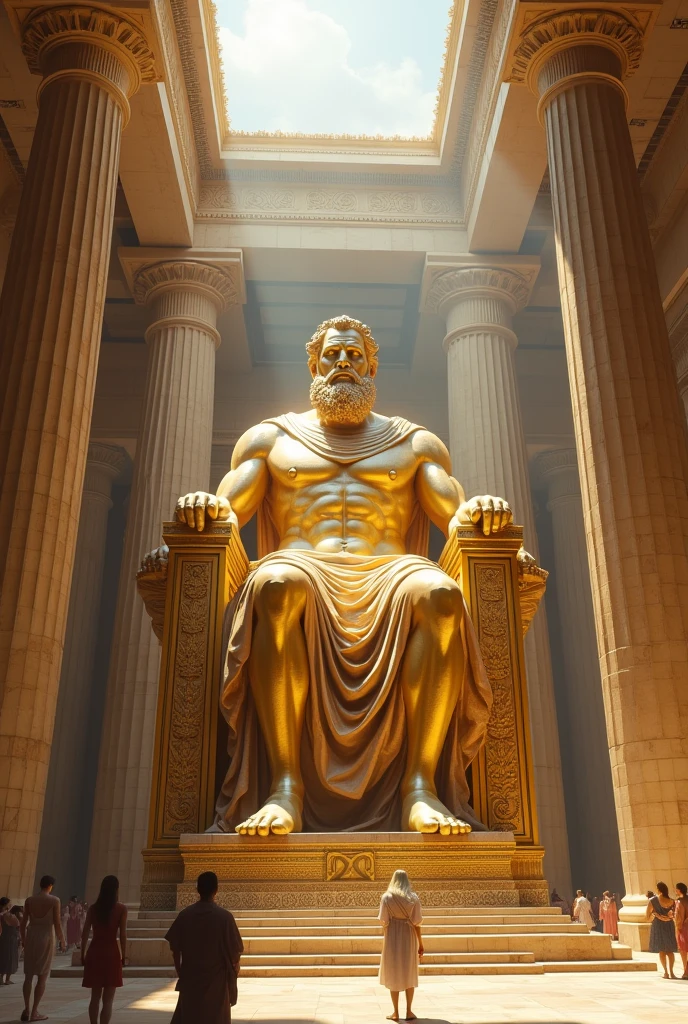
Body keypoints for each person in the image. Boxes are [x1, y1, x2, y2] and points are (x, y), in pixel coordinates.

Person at [165, 871, 243, 1023]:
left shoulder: (185, 915)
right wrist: (234, 972)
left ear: (197, 890)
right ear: (216, 890)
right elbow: (235, 952)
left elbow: (174, 947)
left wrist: (180, 971)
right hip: (217, 982)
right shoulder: (225, 917)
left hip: (191, 977)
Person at [378, 870, 424, 1023]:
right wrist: (421, 943)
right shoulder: (413, 897)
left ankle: (396, 1012)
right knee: (409, 972)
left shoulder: (386, 897)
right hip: (409, 936)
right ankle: (409, 1011)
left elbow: (383, 920)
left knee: (393, 972)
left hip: (392, 936)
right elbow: (417, 921)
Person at [81, 875, 128, 1024]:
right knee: (108, 1000)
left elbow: (85, 933)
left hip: (95, 950)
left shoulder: (93, 908)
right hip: (111, 952)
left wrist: (82, 954)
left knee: (95, 997)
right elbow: (123, 935)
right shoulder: (121, 908)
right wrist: (124, 955)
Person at [21, 874, 65, 1022]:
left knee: (28, 976)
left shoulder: (29, 900)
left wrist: (23, 939)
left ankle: (27, 1009)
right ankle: (34, 1012)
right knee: (42, 976)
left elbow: (23, 922)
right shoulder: (54, 900)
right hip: (46, 937)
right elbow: (57, 923)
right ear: (51, 886)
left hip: (32, 936)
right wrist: (62, 940)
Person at [647, 881, 678, 978]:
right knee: (670, 950)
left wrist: (657, 915)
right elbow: (675, 915)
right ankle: (672, 972)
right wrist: (667, 918)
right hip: (669, 925)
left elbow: (647, 916)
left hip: (658, 925)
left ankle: (666, 972)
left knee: (662, 950)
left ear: (658, 890)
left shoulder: (653, 900)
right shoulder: (672, 901)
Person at [0, 897, 20, 984]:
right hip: (10, 939)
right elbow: (17, 923)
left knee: (3, 957)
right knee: (10, 958)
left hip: (3, 938)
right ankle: (7, 979)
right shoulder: (7, 915)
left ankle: (1, 978)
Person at [674, 882, 688, 980]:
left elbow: (679, 918)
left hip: (683, 928)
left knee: (683, 951)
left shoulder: (680, 902)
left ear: (679, 890)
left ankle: (686, 971)